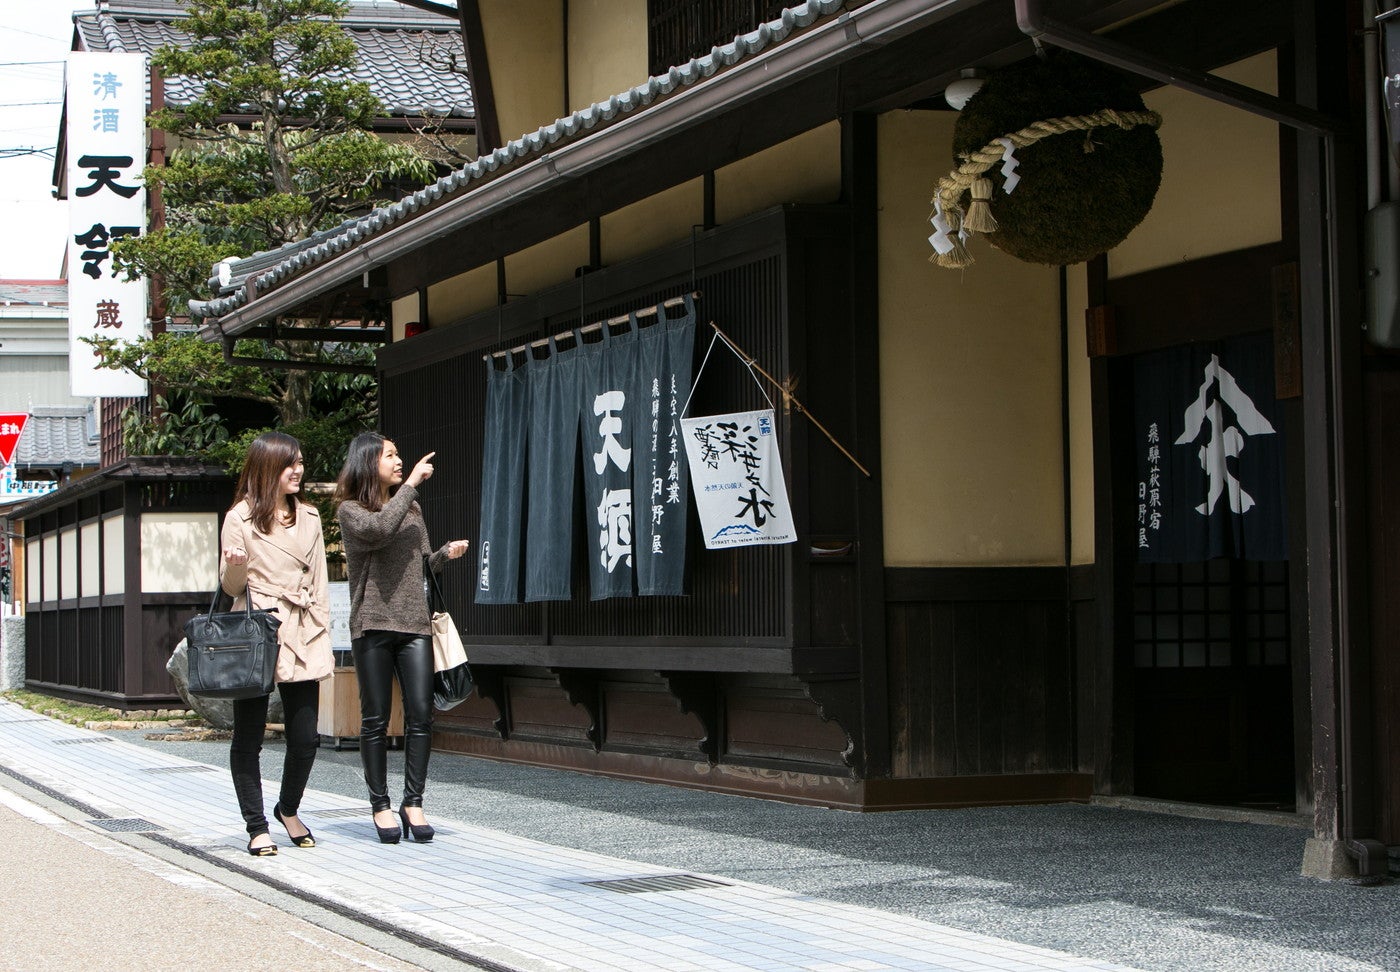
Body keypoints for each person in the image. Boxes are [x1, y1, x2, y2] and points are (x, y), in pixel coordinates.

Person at [334, 432, 469, 844]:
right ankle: (380, 805)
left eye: (398, 454)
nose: (398, 460)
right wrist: (410, 483)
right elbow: (378, 531)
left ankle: (414, 802)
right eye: (390, 455)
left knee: (420, 716)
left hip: (415, 623)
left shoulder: (411, 506)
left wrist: (443, 555)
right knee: (374, 719)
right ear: (367, 461)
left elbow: (421, 567)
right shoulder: (350, 510)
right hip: (373, 622)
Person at [219, 431, 333, 857]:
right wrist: (237, 564)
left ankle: (288, 809)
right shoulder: (240, 518)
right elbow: (230, 587)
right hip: (258, 630)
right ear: (268, 468)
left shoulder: (311, 517)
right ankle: (256, 826)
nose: (298, 470)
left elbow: (319, 580)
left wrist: (321, 624)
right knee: (248, 736)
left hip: (304, 629)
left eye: (300, 461)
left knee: (306, 738)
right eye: (290, 464)